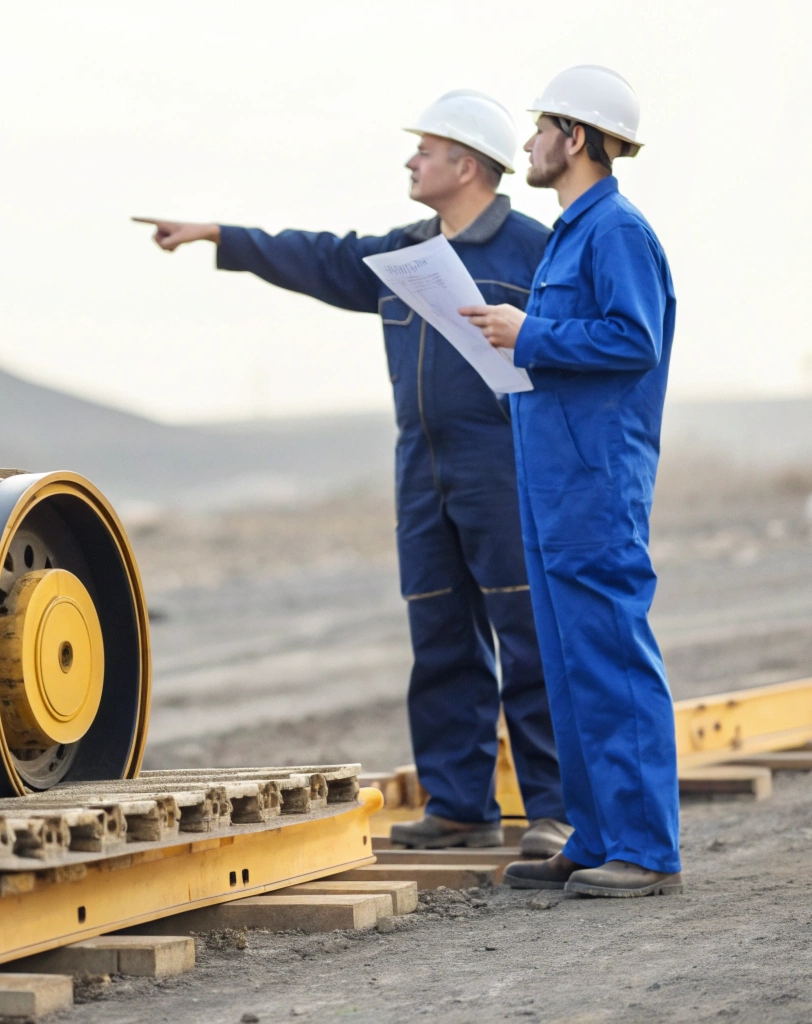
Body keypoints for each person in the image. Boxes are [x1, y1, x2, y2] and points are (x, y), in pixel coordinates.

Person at [135, 91, 571, 855]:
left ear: (465, 165)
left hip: (504, 469)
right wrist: (219, 236)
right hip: (422, 471)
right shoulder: (406, 254)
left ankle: (556, 811)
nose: (410, 160)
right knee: (440, 637)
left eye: (425, 150)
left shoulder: (538, 252)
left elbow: (579, 348)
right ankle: (460, 805)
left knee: (527, 636)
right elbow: (319, 256)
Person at [461, 66, 682, 897]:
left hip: (595, 484)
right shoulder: (570, 233)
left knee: (612, 662)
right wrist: (517, 341)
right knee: (568, 667)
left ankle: (648, 852)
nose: (527, 145)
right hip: (552, 482)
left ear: (576, 137)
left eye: (539, 129)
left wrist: (532, 333)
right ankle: (596, 838)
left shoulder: (616, 231)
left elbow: (633, 340)